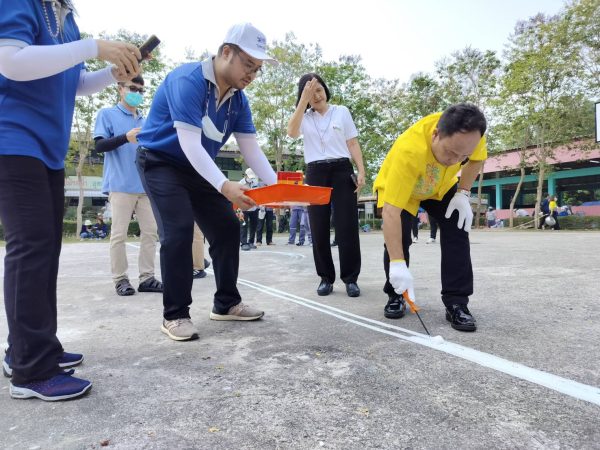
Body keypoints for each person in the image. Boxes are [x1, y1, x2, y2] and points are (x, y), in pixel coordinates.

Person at [0, 0, 142, 400]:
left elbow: (74, 81)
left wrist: (110, 72)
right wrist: (94, 46)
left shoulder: (67, 16)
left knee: (46, 249)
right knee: (30, 248)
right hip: (12, 140)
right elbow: (10, 62)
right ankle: (31, 371)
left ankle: (30, 347)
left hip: (47, 145)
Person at [135, 23, 278, 342]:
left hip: (197, 167)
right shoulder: (189, 80)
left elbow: (250, 148)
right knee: (179, 229)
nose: (251, 75)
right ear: (226, 52)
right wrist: (225, 186)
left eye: (257, 70)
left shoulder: (239, 101)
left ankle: (226, 303)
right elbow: (188, 143)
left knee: (227, 226)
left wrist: (278, 189)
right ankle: (174, 315)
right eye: (248, 65)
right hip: (160, 162)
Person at [374, 103, 487, 331]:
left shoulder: (473, 136)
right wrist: (397, 263)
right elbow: (391, 213)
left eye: (461, 156)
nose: (455, 160)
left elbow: (477, 159)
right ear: (436, 134)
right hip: (405, 189)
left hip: (439, 185)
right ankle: (396, 294)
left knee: (457, 227)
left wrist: (463, 192)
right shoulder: (409, 151)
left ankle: (457, 302)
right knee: (400, 238)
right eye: (450, 152)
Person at [287, 73, 366, 298]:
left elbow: (352, 142)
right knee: (318, 226)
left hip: (342, 170)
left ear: (326, 90)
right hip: (315, 172)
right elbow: (291, 133)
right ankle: (325, 278)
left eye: (319, 90)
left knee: (346, 226)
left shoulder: (341, 112)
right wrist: (303, 102)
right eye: (311, 92)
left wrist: (361, 170)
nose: (317, 95)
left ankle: (351, 278)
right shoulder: (304, 116)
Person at [94, 74, 163, 296]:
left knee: (151, 233)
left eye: (141, 91)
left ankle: (147, 278)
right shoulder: (107, 114)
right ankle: (121, 279)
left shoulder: (146, 120)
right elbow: (100, 146)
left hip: (145, 186)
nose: (137, 94)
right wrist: (125, 137)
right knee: (119, 234)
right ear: (120, 89)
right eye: (133, 88)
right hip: (120, 184)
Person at [239, 168, 259, 250]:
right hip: (243, 208)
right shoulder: (240, 184)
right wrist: (239, 210)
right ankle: (243, 243)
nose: (251, 179)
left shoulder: (255, 182)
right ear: (246, 175)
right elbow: (238, 197)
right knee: (243, 225)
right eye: (249, 177)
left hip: (253, 208)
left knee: (253, 226)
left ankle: (251, 242)